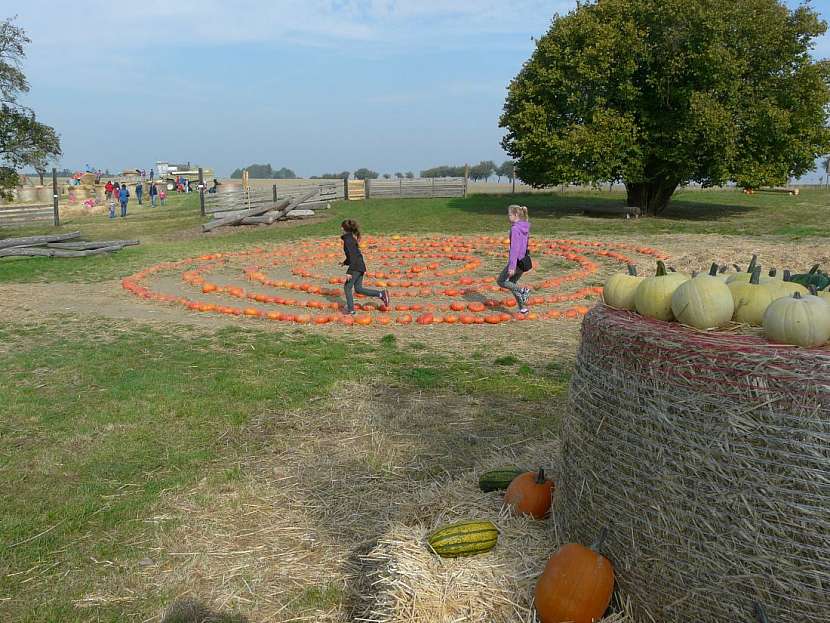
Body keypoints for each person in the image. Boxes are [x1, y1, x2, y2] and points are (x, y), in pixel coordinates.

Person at [340, 219, 389, 315]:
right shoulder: (350, 238)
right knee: (358, 289)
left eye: (341, 227)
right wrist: (345, 262)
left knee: (347, 288)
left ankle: (351, 311)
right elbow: (353, 255)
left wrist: (349, 271)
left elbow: (353, 256)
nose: (340, 228)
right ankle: (381, 294)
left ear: (344, 228)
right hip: (360, 265)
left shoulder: (348, 240)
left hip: (356, 267)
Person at [497, 204, 532, 314]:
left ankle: (523, 290)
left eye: (509, 215)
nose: (508, 217)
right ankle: (522, 308)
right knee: (512, 283)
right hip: (523, 261)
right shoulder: (524, 226)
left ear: (516, 215)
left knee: (501, 281)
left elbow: (514, 249)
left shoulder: (515, 229)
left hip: (516, 262)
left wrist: (512, 267)